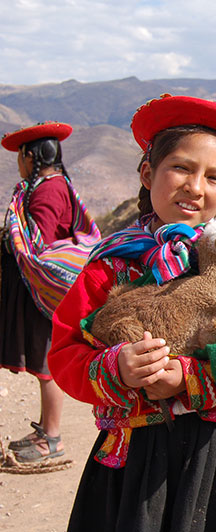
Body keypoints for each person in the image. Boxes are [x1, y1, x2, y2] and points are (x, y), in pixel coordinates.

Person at [48, 94, 216, 532]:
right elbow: (64, 352)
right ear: (148, 173)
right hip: (136, 461)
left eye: (214, 177)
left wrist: (191, 378)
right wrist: (118, 368)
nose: (195, 186)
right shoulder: (111, 265)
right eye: (182, 168)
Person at [1, 122, 101, 463]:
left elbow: (37, 243)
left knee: (47, 361)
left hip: (48, 289)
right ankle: (45, 428)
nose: (19, 163)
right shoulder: (52, 185)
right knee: (45, 357)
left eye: (20, 156)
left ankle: (52, 437)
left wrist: (13, 243)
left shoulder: (47, 190)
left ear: (31, 156)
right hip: (45, 288)